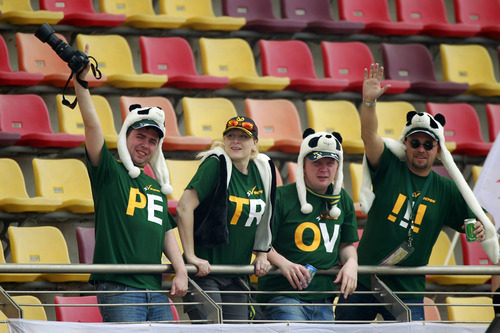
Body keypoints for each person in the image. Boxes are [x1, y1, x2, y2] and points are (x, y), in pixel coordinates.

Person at [335, 63, 498, 322]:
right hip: (364, 279)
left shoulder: (446, 189)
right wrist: (368, 103)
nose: (421, 148)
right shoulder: (390, 166)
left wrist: (481, 227)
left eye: (428, 144)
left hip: (408, 288)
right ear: (405, 143)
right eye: (415, 142)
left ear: (438, 149)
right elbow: (369, 136)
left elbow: (484, 220)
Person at [73, 62, 188, 322]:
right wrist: (81, 84)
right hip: (119, 288)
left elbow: (165, 231)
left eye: (152, 141)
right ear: (126, 136)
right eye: (140, 136)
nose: (145, 145)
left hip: (155, 289)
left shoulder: (155, 185)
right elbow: (92, 128)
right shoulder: (109, 172)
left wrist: (181, 271)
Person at [176, 116, 275, 322]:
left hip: (236, 274)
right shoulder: (215, 164)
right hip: (206, 273)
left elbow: (263, 219)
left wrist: (262, 254)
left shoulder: (263, 171)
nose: (235, 141)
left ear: (255, 142)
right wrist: (191, 256)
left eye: (243, 137)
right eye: (230, 136)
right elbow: (184, 207)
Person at [257, 129, 358, 321]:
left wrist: (352, 263)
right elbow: (260, 242)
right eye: (317, 162)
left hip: (324, 297)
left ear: (338, 166)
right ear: (303, 165)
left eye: (330, 163)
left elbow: (346, 245)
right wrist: (283, 264)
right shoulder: (280, 196)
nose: (324, 169)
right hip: (283, 295)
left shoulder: (343, 199)